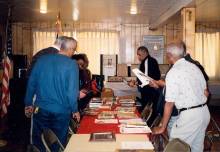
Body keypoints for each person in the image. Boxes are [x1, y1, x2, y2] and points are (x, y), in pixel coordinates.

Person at [152, 42, 210, 152]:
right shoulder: (194, 67)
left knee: (175, 147)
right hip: (204, 112)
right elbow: (206, 92)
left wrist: (162, 127)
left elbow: (169, 103)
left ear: (169, 55)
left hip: (190, 116)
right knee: (196, 148)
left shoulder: (174, 72)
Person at [24, 37, 80, 152]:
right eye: (73, 50)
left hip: (40, 109)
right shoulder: (72, 64)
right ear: (69, 49)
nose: (73, 53)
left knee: (38, 142)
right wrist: (75, 110)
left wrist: (28, 103)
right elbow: (71, 92)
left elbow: (32, 83)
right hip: (61, 112)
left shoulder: (42, 60)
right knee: (56, 143)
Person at [133, 46, 161, 125]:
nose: (138, 56)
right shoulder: (149, 61)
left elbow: (146, 78)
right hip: (150, 91)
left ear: (145, 53)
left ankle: (146, 127)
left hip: (149, 92)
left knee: (148, 112)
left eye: (139, 54)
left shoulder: (148, 61)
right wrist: (137, 82)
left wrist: (138, 82)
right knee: (148, 112)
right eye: (137, 54)